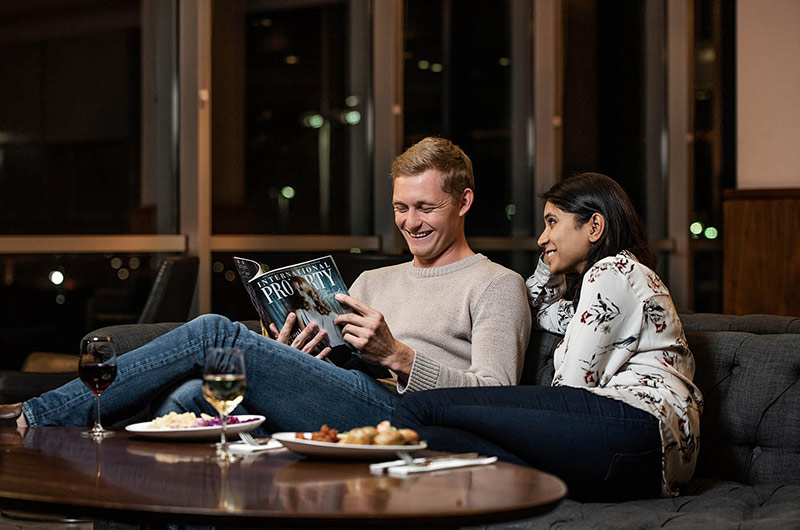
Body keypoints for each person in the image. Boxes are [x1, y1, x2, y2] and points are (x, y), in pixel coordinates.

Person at [1, 137, 531, 431]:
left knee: (215, 333)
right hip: (354, 399)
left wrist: (399, 356)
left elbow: (500, 400)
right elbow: (345, 370)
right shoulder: (374, 278)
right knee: (191, 397)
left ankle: (36, 415)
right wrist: (298, 355)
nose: (410, 223)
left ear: (463, 202)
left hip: (412, 418)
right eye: (400, 207)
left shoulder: (496, 284)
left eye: (425, 208)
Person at [391, 172, 704, 501]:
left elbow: (573, 388)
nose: (542, 238)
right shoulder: (602, 294)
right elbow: (537, 310)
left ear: (595, 227)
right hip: (642, 461)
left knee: (418, 407)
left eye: (552, 222)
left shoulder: (613, 271)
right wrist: (549, 267)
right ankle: (523, 494)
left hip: (640, 426)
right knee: (435, 439)